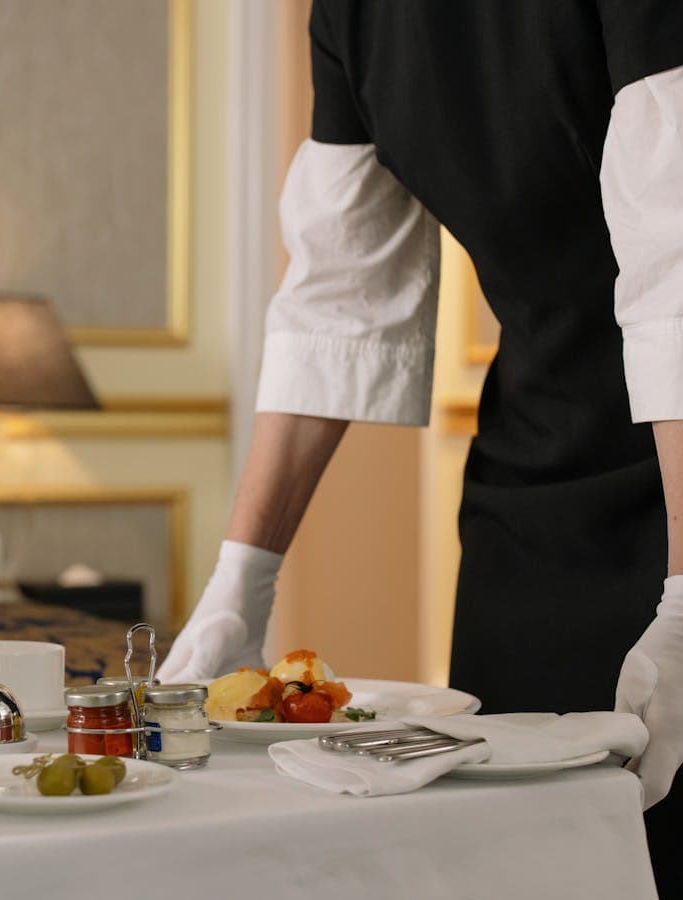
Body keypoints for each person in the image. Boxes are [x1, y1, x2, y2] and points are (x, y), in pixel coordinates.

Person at [157, 1, 683, 891]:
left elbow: (678, 277)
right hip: (535, 486)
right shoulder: (353, 17)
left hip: (672, 479)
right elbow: (337, 296)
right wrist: (239, 583)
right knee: (513, 858)